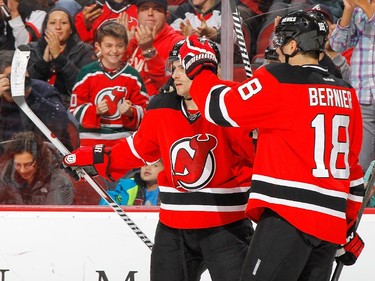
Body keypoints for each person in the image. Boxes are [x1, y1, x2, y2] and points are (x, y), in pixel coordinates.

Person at [178, 10, 365, 280]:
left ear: (292, 46)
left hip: (289, 218)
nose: (275, 46)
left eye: (281, 41)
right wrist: (347, 230)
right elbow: (353, 170)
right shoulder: (346, 92)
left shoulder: (279, 79)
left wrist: (201, 68)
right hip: (329, 226)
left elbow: (219, 107)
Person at [62, 38, 255, 281]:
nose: (176, 74)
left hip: (227, 226)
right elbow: (134, 150)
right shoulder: (163, 106)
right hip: (174, 228)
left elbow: (260, 157)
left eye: (184, 67)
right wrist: (90, 157)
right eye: (174, 66)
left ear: (207, 69)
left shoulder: (231, 104)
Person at [70, 21, 148, 148]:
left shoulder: (133, 76)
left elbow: (145, 110)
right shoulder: (87, 73)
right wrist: (95, 110)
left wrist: (130, 112)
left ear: (126, 46)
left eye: (119, 45)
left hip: (123, 142)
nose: (114, 51)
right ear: (98, 46)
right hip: (91, 141)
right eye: (109, 45)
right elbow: (75, 107)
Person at [330, 0, 375, 174]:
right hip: (363, 95)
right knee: (361, 165)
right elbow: (337, 45)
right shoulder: (359, 10)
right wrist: (348, 9)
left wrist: (363, 4)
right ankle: (365, 201)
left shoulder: (364, 6)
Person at [0, 50, 72, 150]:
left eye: (22, 74)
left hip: (42, 154)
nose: (19, 81)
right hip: (6, 156)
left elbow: (60, 123)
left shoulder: (42, 90)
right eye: (13, 76)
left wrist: (30, 96)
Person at [28, 7, 96, 108]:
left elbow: (84, 87)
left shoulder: (84, 50)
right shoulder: (32, 49)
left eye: (63, 23)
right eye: (52, 23)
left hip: (69, 106)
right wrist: (43, 63)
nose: (58, 27)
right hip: (36, 104)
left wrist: (60, 59)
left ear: (71, 29)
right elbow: (24, 85)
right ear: (45, 28)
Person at [123, 0, 185, 96]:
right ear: (137, 14)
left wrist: (149, 51)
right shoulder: (131, 37)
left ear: (167, 15)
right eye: (145, 9)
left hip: (155, 102)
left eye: (157, 9)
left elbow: (170, 85)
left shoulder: (178, 43)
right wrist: (124, 46)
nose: (150, 13)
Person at [0, 131, 74, 204]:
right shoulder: (6, 173)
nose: (22, 170)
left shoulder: (58, 181)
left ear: (39, 159)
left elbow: (55, 214)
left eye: (28, 164)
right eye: (18, 164)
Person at [99, 160, 164, 205]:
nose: (147, 168)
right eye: (145, 164)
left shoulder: (171, 189)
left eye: (155, 165)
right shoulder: (128, 186)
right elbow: (112, 201)